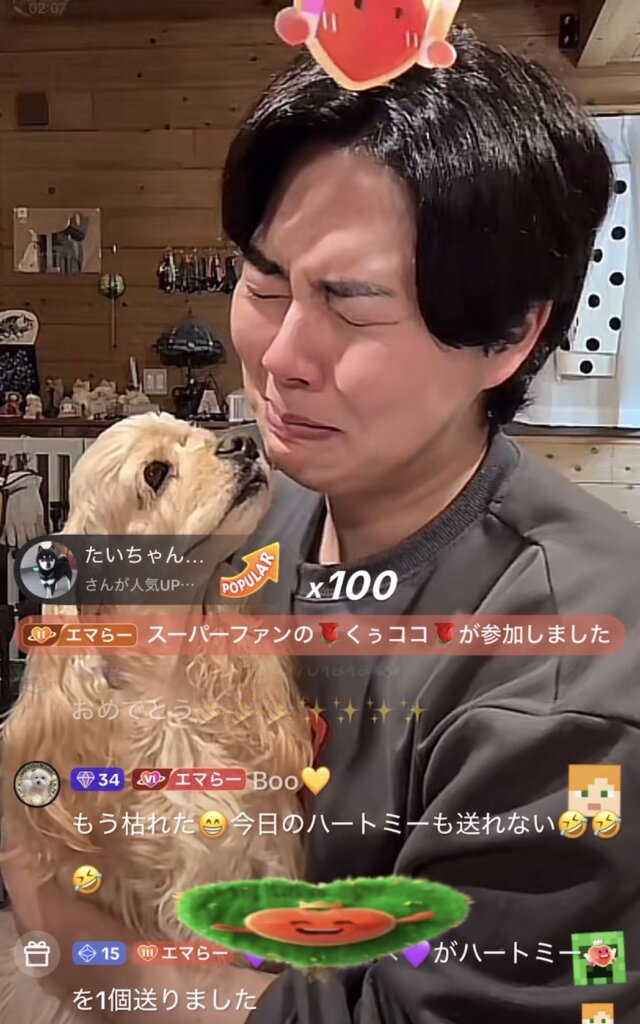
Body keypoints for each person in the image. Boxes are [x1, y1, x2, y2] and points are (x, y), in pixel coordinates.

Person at [3, 24, 639, 1024]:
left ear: (510, 334)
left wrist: (81, 943)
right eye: (264, 283)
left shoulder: (570, 679)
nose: (280, 358)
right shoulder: (259, 523)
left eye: (352, 303)